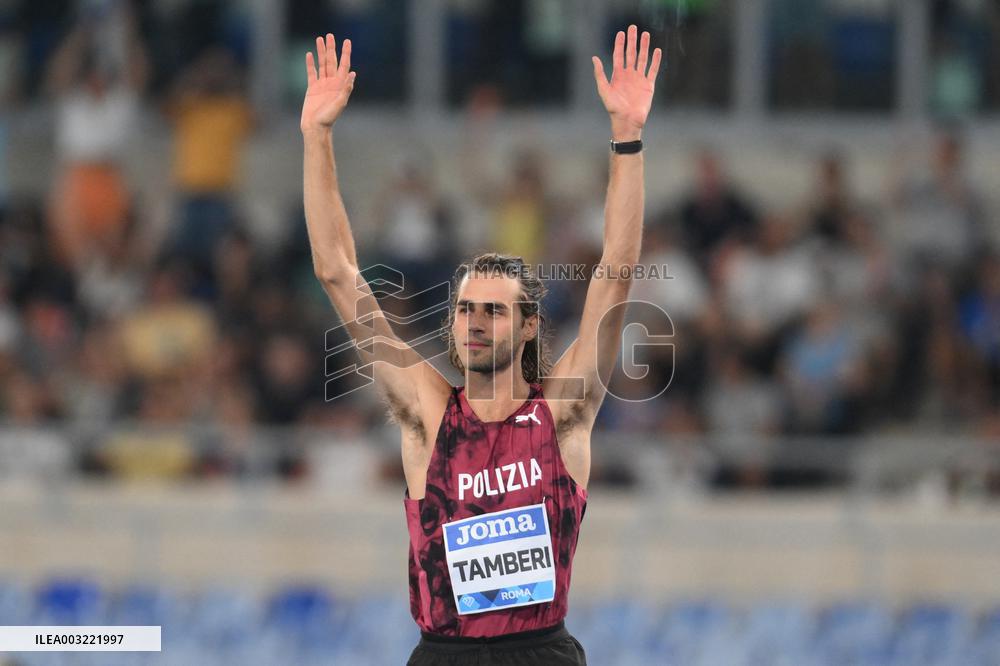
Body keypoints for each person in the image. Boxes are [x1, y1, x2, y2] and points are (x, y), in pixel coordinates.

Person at [299, 26, 661, 665]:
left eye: (493, 311)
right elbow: (337, 271)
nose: (473, 321)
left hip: (539, 653)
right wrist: (315, 136)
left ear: (527, 326)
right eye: (465, 308)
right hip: (445, 654)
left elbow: (616, 270)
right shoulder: (429, 413)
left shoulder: (563, 411)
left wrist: (627, 139)